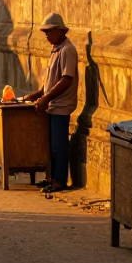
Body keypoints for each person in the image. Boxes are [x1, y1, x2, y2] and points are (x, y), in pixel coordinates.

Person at [24, 12, 78, 193]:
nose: (47, 36)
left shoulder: (67, 50)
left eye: (49, 32)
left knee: (59, 145)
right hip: (52, 103)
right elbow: (50, 81)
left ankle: (59, 181)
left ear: (59, 31)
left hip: (61, 105)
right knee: (50, 145)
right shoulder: (56, 49)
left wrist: (46, 98)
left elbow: (66, 79)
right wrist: (38, 94)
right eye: (45, 33)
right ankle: (51, 177)